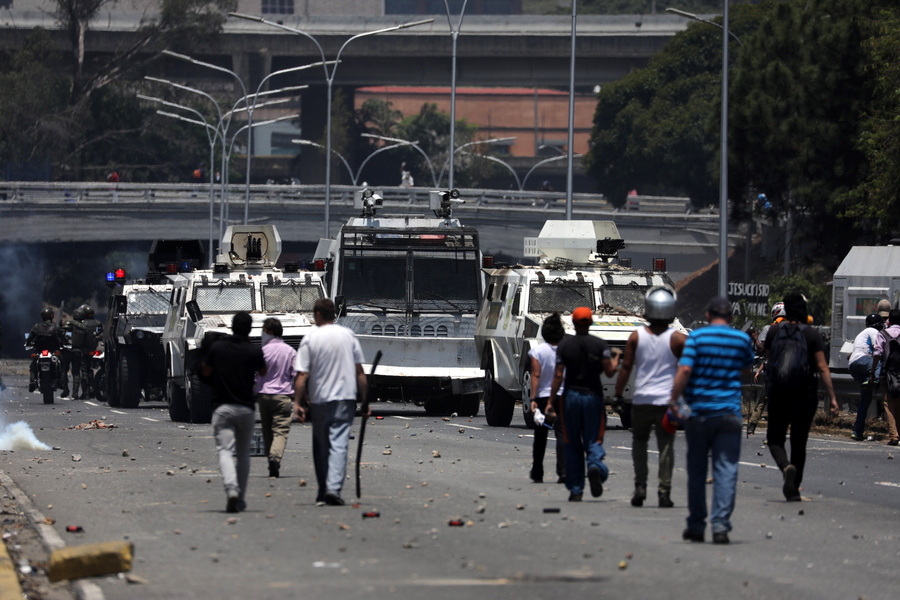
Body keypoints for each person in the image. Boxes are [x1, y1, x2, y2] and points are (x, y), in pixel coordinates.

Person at [670, 296, 753, 544]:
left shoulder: (696, 338)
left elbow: (685, 369)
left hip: (699, 414)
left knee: (697, 470)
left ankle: (696, 526)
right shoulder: (741, 339)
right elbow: (747, 368)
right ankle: (720, 526)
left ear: (707, 316)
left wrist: (673, 400)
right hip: (729, 413)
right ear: (731, 317)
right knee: (726, 470)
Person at [614, 287, 686, 508]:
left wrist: (617, 395)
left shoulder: (636, 336)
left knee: (639, 443)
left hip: (641, 401)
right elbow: (687, 369)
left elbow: (626, 367)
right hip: (666, 403)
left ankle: (640, 486)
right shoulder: (678, 339)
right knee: (666, 446)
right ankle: (664, 491)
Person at [764, 292, 838, 501]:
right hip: (805, 395)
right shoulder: (812, 334)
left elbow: (770, 359)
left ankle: (785, 467)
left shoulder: (774, 331)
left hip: (779, 393)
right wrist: (832, 397)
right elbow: (822, 367)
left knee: (775, 439)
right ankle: (794, 489)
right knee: (799, 441)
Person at [294, 298, 366, 507]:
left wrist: (297, 403)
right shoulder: (348, 335)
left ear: (317, 314)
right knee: (339, 444)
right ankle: (333, 488)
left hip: (320, 400)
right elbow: (359, 372)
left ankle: (323, 490)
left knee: (321, 446)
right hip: (345, 398)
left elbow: (302, 375)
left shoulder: (310, 338)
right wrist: (365, 401)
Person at [548, 306, 619, 502]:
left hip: (570, 397)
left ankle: (576, 489)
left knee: (571, 442)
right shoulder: (600, 345)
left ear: (573, 322)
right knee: (594, 438)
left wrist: (551, 402)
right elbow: (610, 372)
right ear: (591, 322)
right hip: (593, 397)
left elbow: (558, 375)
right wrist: (616, 358)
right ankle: (595, 465)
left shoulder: (564, 346)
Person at [202, 312, 266, 513]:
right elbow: (263, 371)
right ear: (250, 329)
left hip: (222, 408)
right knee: (244, 453)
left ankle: (231, 490)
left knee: (225, 451)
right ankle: (240, 497)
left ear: (232, 326)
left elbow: (205, 371)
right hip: (246, 408)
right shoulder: (254, 351)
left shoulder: (218, 348)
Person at [254, 317, 297, 478]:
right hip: (283, 396)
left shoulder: (262, 351)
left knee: (267, 431)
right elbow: (297, 375)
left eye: (264, 330)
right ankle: (275, 457)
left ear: (270, 331)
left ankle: (271, 460)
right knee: (280, 430)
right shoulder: (290, 352)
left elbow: (255, 375)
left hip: (264, 396)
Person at [528, 313, 566, 484]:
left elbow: (536, 375)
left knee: (540, 436)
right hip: (562, 396)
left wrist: (533, 398)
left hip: (543, 398)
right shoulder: (566, 351)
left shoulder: (537, 351)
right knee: (562, 434)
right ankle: (563, 471)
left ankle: (537, 471)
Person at [747, 302, 787, 435]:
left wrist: (755, 338)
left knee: (765, 398)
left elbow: (762, 349)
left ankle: (753, 426)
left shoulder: (769, 329)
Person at [848, 313, 883, 441]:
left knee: (865, 400)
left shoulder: (861, 333)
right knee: (880, 362)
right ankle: (874, 380)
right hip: (863, 360)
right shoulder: (874, 332)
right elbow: (878, 349)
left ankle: (857, 431)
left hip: (853, 365)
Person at [871, 308, 900, 446]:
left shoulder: (883, 334)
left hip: (888, 374)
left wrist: (872, 371)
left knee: (888, 404)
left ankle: (894, 435)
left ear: (889, 320)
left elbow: (877, 354)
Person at [26, 308, 66, 393]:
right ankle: (61, 380)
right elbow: (63, 337)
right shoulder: (56, 327)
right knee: (62, 362)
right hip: (53, 351)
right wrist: (66, 343)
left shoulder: (36, 326)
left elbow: (30, 337)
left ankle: (32, 381)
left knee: (33, 365)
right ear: (52, 316)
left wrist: (28, 343)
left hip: (40, 351)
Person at [74, 305, 103, 400]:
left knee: (84, 371)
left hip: (84, 350)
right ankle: (93, 390)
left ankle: (85, 392)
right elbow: (102, 333)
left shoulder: (82, 324)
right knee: (92, 370)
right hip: (94, 349)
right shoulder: (98, 323)